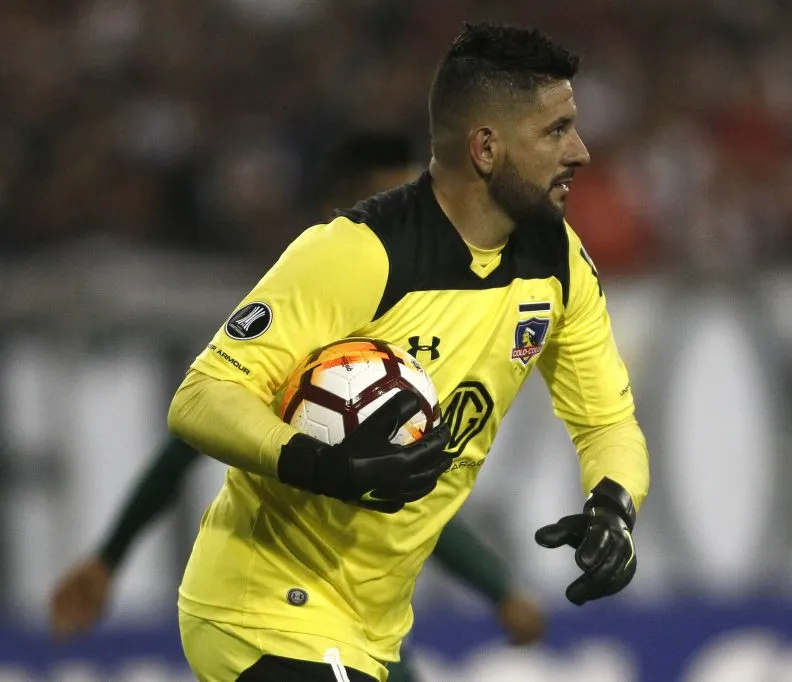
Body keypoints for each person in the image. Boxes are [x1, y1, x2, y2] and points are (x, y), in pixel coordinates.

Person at [168, 22, 650, 682]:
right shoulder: (357, 253)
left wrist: (614, 509)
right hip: (265, 610)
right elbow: (200, 399)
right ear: (486, 148)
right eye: (556, 131)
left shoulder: (557, 262)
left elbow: (606, 421)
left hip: (374, 630)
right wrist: (330, 466)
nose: (582, 151)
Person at [48, 132, 545, 682]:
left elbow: (408, 489)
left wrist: (497, 588)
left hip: (365, 618)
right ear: (345, 207)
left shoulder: (422, 322)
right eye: (390, 200)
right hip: (283, 604)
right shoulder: (312, 315)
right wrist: (110, 555)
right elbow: (186, 442)